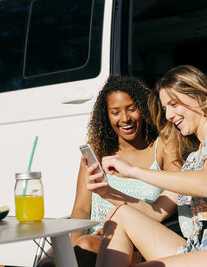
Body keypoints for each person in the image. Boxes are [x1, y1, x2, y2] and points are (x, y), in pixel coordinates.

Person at [90, 65, 207, 267]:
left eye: (174, 104)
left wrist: (134, 172)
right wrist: (107, 192)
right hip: (203, 247)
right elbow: (155, 211)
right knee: (119, 215)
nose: (169, 115)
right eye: (165, 108)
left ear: (196, 95)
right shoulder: (194, 159)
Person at [37, 75, 181, 267]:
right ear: (106, 115)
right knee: (73, 250)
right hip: (92, 236)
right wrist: (67, 256)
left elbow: (175, 194)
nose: (125, 119)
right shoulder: (97, 150)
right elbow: (81, 208)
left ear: (144, 108)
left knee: (86, 245)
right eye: (115, 112)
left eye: (131, 109)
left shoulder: (162, 147)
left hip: (137, 240)